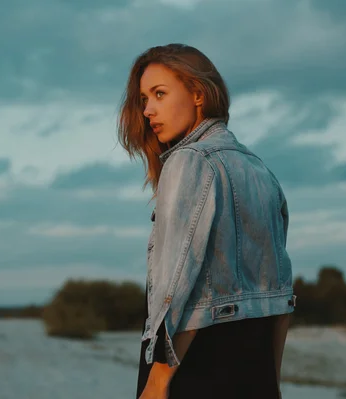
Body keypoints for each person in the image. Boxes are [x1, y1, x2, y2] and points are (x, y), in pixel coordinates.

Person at [117, 43, 295, 398]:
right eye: (143, 99)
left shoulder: (189, 161)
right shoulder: (260, 169)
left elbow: (178, 286)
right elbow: (280, 293)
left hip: (194, 369)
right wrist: (272, 380)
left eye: (160, 94)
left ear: (198, 94)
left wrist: (157, 381)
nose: (149, 110)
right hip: (254, 371)